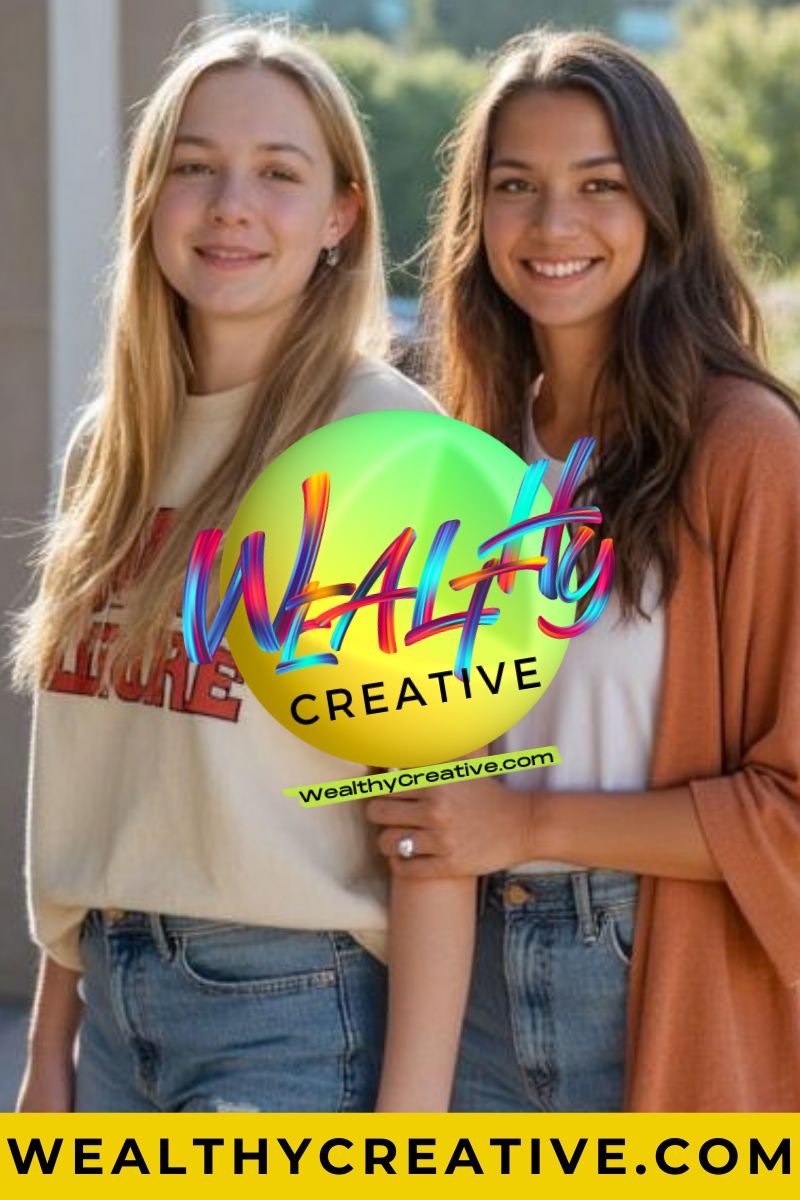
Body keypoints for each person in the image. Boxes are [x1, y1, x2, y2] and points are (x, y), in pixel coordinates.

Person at [10, 21, 465, 1113]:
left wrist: (407, 1142)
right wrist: (47, 1050)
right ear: (150, 196)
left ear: (340, 214)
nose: (230, 205)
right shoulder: (111, 446)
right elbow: (97, 783)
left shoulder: (388, 446)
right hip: (110, 1014)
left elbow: (435, 828)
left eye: (278, 173)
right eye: (195, 166)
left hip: (291, 1018)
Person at [366, 29, 800, 1111]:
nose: (552, 224)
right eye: (515, 185)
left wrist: (523, 825)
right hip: (463, 989)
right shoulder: (458, 451)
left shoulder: (748, 450)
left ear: (661, 208)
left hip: (655, 982)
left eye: (598, 185)